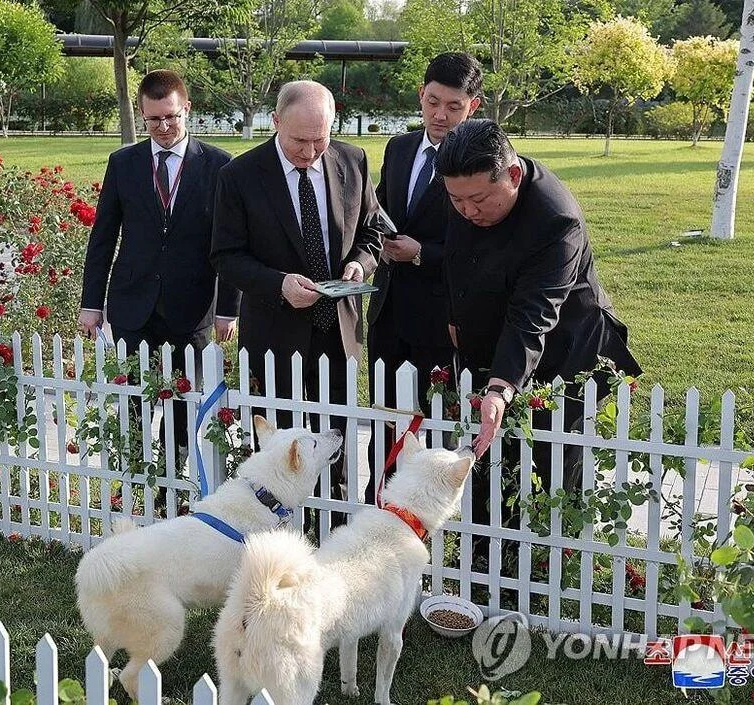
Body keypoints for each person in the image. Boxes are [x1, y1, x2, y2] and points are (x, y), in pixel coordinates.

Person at [436, 118, 642, 549]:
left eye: (477, 200)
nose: (467, 211)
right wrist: (458, 316)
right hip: (496, 342)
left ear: (511, 176)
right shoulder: (466, 189)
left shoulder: (555, 220)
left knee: (549, 468)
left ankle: (545, 562)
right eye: (456, 200)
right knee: (489, 460)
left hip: (563, 355)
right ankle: (486, 555)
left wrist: (500, 386)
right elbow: (458, 257)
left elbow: (534, 314)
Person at [211, 80, 385, 529]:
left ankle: (336, 531)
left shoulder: (353, 159)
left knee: (337, 437)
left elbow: (371, 231)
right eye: (299, 141)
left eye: (320, 139)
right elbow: (225, 256)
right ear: (275, 123)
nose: (310, 151)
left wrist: (360, 265)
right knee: (281, 444)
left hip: (337, 328)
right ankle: (281, 533)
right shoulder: (239, 176)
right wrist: (277, 284)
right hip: (274, 333)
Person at [79, 69, 240, 468]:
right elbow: (103, 237)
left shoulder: (220, 165)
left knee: (183, 409)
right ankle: (137, 483)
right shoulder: (123, 163)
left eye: (172, 116)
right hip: (133, 307)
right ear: (141, 115)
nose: (164, 127)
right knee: (133, 404)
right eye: (153, 120)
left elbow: (233, 243)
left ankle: (175, 480)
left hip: (192, 310)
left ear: (187, 108)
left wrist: (227, 308)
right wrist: (91, 302)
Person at [364, 52, 483, 505]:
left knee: (437, 427)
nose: (440, 114)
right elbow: (378, 209)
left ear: (472, 106)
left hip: (443, 315)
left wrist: (421, 255)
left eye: (453, 106)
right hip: (389, 311)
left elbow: (481, 244)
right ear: (421, 95)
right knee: (387, 420)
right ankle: (382, 505)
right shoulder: (398, 148)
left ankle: (436, 517)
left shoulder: (480, 157)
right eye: (433, 102)